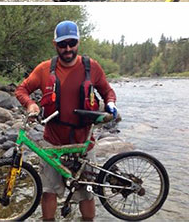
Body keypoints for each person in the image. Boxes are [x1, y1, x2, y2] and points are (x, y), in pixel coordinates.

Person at [15, 21, 117, 222]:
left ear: (78, 42)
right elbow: (21, 90)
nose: (68, 48)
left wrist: (111, 104)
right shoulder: (44, 69)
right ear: (55, 44)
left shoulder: (91, 67)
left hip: (83, 143)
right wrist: (30, 105)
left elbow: (107, 91)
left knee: (87, 194)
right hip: (52, 142)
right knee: (48, 192)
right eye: (63, 44)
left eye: (72, 43)